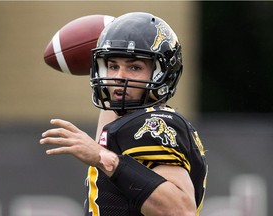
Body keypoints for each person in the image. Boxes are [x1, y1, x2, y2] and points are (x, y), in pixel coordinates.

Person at [40, 12, 208, 216]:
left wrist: (103, 158)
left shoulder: (153, 123)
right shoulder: (128, 120)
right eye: (112, 66)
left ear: (162, 73)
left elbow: (180, 210)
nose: (119, 77)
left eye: (135, 67)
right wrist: (120, 31)